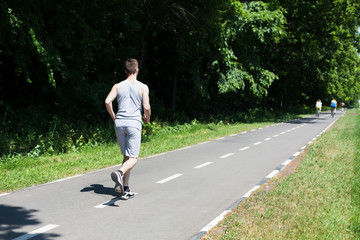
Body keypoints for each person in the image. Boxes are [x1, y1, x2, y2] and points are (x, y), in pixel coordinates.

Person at [105, 58, 151, 200]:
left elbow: (107, 101)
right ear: (137, 70)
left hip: (119, 123)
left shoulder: (118, 86)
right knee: (133, 158)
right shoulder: (143, 87)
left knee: (126, 155)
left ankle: (125, 189)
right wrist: (147, 118)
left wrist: (114, 116)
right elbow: (147, 107)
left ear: (125, 71)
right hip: (133, 123)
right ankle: (119, 173)